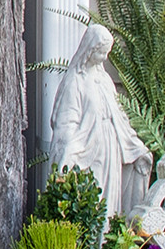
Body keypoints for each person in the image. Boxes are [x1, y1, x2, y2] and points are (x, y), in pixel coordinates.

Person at [49, 23, 155, 220]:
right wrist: (69, 148)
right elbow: (65, 121)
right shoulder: (75, 81)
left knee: (110, 203)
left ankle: (108, 244)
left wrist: (136, 146)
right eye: (101, 53)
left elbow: (120, 115)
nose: (104, 58)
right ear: (89, 50)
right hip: (89, 148)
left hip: (110, 146)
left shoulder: (105, 79)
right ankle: (89, 247)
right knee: (92, 197)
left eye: (107, 53)